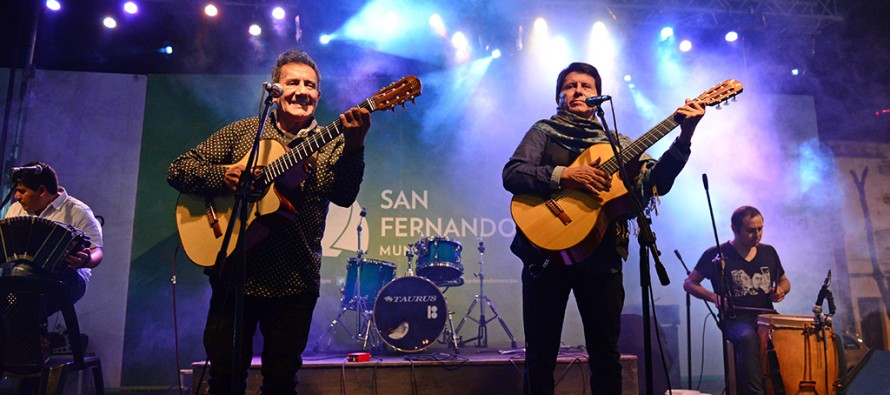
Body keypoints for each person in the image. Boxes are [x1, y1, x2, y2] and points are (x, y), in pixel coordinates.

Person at [166, 49, 370, 394]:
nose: (302, 91)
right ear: (275, 90)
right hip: (234, 273)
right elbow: (179, 169)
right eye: (293, 83)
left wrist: (354, 147)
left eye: (310, 85)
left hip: (295, 279)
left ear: (319, 96)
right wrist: (224, 176)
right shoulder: (243, 132)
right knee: (224, 380)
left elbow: (344, 195)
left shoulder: (333, 141)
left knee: (280, 382)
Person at [503, 62, 706, 394]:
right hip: (544, 255)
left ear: (598, 95)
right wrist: (565, 175)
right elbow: (513, 174)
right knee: (540, 357)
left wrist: (684, 136)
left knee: (606, 357)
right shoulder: (543, 131)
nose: (578, 90)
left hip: (601, 255)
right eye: (570, 86)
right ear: (559, 97)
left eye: (586, 86)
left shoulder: (617, 145)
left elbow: (657, 183)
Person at [683, 205, 791, 395]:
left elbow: (784, 280)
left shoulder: (769, 252)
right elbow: (690, 283)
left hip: (767, 316)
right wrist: (714, 297)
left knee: (792, 335)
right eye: (750, 230)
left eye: (760, 229)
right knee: (748, 338)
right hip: (736, 319)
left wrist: (781, 290)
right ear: (735, 229)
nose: (757, 235)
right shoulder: (716, 254)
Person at [5, 161, 104, 310]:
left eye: (22, 191)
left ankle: (18, 321)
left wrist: (85, 260)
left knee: (23, 273)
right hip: (21, 274)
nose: (17, 196)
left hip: (70, 279)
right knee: (22, 272)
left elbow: (97, 251)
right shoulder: (15, 209)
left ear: (42, 191)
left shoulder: (78, 211)